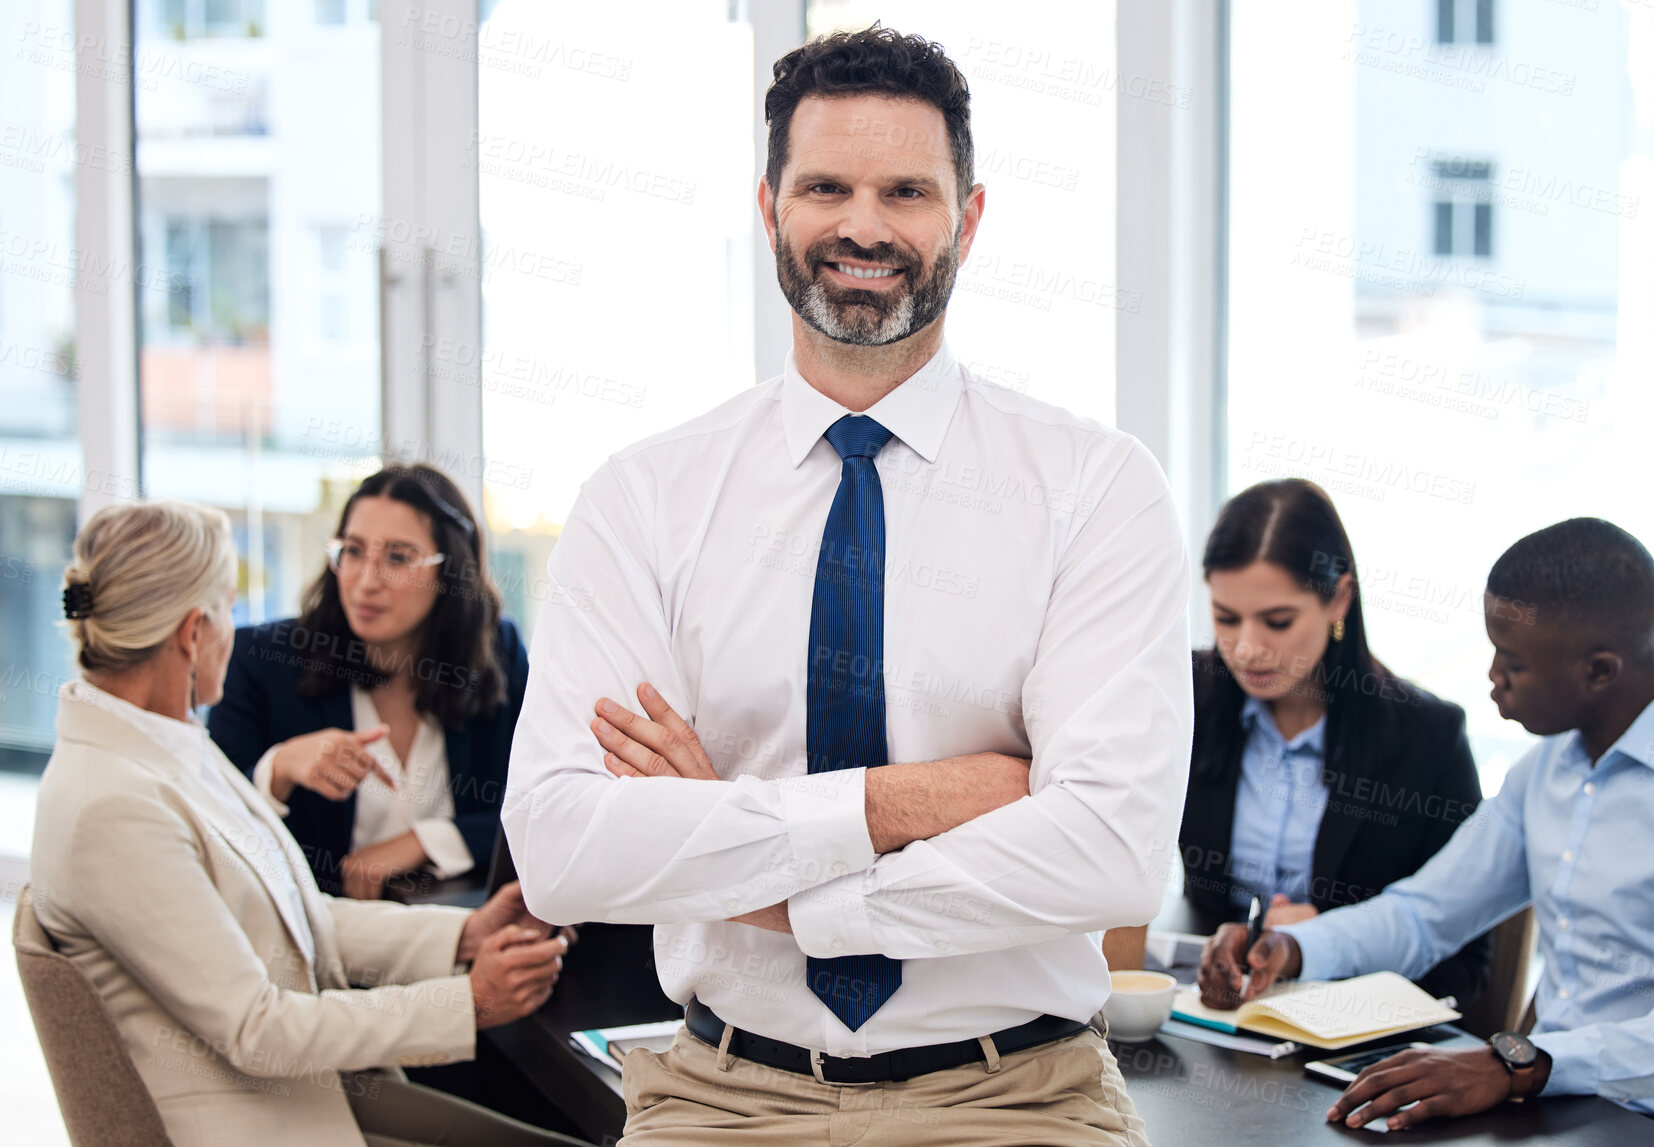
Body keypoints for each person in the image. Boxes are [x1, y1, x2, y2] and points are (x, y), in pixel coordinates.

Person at [504, 25, 1190, 1147]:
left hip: (1015, 1100)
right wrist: (912, 802)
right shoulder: (643, 498)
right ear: (769, 205)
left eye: (905, 191)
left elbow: (1111, 853)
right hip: (721, 1100)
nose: (862, 226)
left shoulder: (1095, 488)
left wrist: (754, 869)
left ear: (965, 220)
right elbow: (564, 846)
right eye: (825, 185)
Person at [29, 499, 584, 1147]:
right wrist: (468, 1003)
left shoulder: (162, 743)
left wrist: (464, 931)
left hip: (309, 1096)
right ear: (192, 633)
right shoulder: (113, 806)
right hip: (259, 1122)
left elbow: (299, 917)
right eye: (229, 610)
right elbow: (257, 1028)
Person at [1198, 518, 1654, 1145]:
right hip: (1556, 1103)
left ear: (1599, 671)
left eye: (1512, 664)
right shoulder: (1546, 772)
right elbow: (1425, 916)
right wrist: (1294, 950)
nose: (1491, 679)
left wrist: (1515, 1064)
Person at [1177, 479, 1490, 1006]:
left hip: (1350, 1038)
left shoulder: (1427, 738)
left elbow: (1464, 963)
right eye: (1226, 619)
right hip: (1211, 1019)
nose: (1248, 649)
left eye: (1277, 621)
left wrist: (1325, 941)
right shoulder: (1187, 699)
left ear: (1339, 598)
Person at [209, 464, 528, 899]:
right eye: (353, 551)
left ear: (451, 571)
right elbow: (212, 828)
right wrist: (280, 767)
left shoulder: (497, 651)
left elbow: (538, 808)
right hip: (324, 949)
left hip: (468, 936)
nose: (365, 580)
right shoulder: (261, 661)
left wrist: (426, 841)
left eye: (397, 557)